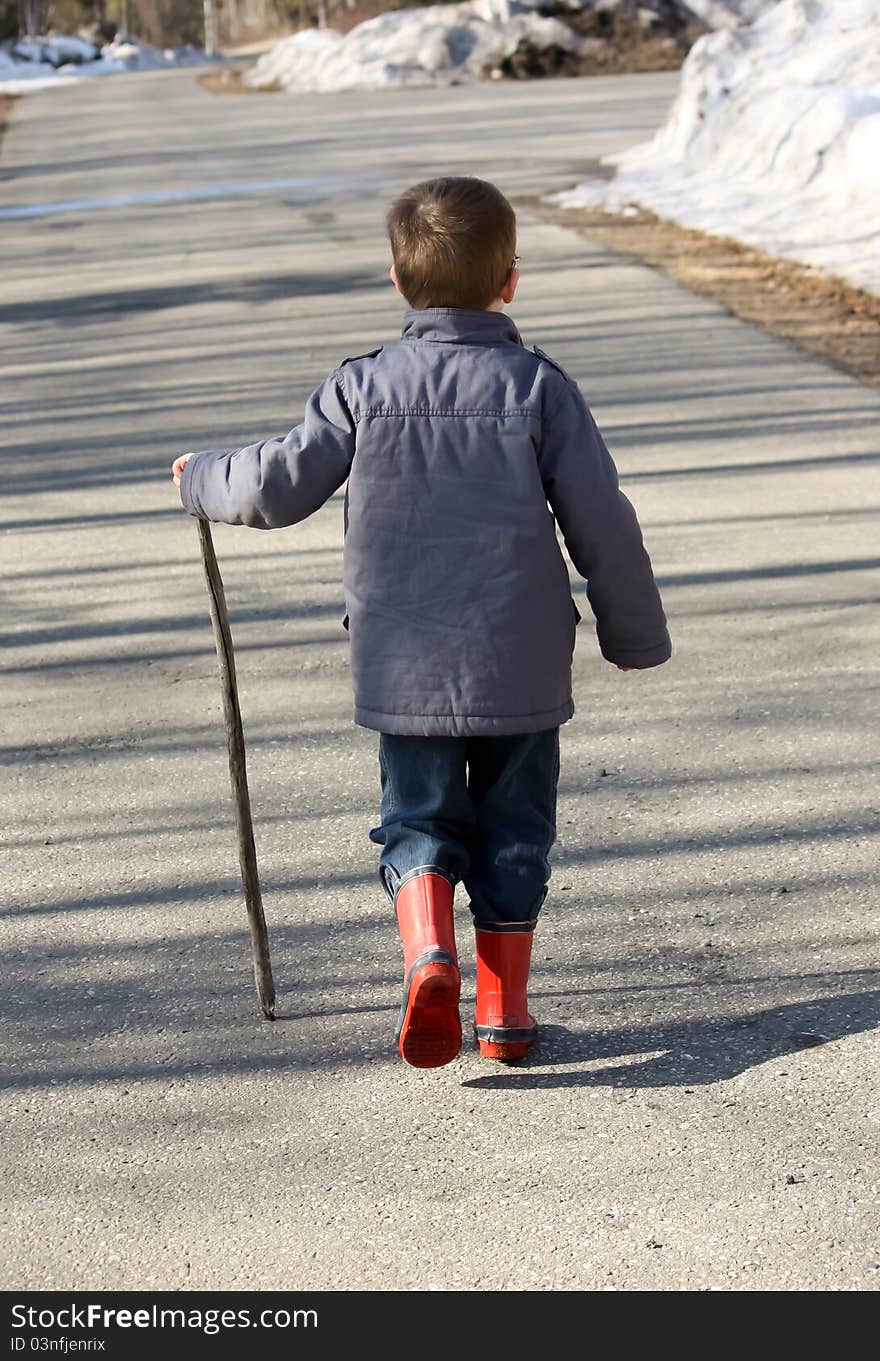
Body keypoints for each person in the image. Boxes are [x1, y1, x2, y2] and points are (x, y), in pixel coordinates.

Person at [171, 176, 671, 1071]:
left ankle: (427, 951)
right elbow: (603, 518)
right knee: (517, 830)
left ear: (400, 285)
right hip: (520, 669)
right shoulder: (541, 389)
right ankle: (505, 1009)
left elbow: (277, 484)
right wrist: (631, 632)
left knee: (417, 819)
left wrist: (200, 475)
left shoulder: (363, 386)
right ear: (510, 281)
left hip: (402, 664)